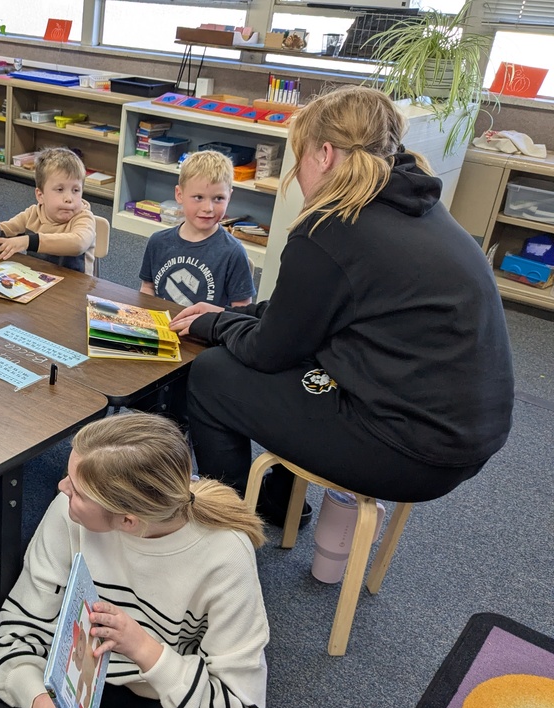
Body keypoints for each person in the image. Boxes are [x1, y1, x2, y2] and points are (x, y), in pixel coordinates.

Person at [170, 86, 514, 527]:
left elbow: (268, 352)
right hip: (466, 438)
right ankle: (279, 501)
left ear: (325, 154)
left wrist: (215, 326)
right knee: (308, 357)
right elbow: (306, 313)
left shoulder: (330, 228)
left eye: (299, 157)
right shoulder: (420, 206)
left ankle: (226, 523)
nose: (297, 172)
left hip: (411, 451)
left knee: (212, 374)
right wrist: (234, 316)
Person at [0, 413, 317, 708]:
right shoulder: (67, 512)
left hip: (163, 688)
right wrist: (40, 707)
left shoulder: (225, 553)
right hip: (76, 682)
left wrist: (144, 649)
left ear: (128, 521)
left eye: (76, 490)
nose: (61, 487)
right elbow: (21, 629)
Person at [140, 150, 254, 308]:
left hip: (207, 325)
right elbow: (147, 288)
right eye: (199, 197)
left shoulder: (233, 252)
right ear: (179, 194)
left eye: (218, 198)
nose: (208, 208)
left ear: (229, 197)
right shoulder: (158, 241)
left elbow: (241, 311)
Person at [0, 147, 96, 274]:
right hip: (38, 279)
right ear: (40, 195)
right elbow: (1, 237)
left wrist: (28, 241)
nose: (69, 198)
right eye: (60, 190)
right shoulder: (32, 214)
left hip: (74, 285)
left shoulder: (84, 218)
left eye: (76, 190)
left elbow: (78, 244)